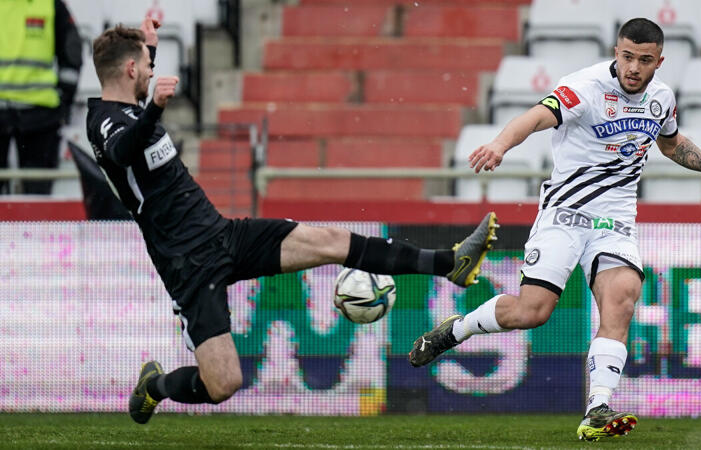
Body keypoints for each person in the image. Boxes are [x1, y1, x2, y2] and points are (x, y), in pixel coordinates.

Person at [85, 20, 499, 425]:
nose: (153, 69)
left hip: (223, 234)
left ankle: (451, 262)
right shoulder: (103, 122)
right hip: (187, 265)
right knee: (223, 383)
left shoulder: (129, 106)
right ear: (130, 70)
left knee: (330, 240)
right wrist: (155, 106)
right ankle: (154, 387)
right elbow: (122, 150)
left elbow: (135, 106)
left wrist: (148, 48)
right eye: (147, 64)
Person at [407, 18, 701, 441]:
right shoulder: (584, 88)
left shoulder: (661, 98)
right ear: (616, 51)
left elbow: (669, 143)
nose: (633, 68)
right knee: (532, 311)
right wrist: (499, 144)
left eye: (644, 60)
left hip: (616, 221)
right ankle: (457, 329)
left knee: (621, 300)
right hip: (565, 214)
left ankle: (596, 409)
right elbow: (535, 117)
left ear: (660, 61)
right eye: (627, 57)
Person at [0, 0, 82, 194]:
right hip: (27, 114)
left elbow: (71, 50)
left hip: (41, 116)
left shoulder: (51, 5)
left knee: (37, 198)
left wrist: (64, 98)